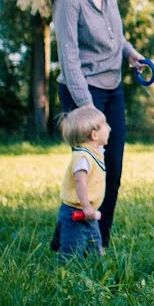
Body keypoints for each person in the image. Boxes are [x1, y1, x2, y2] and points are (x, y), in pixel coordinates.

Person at [8, 0, 145, 249]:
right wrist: (90, 112)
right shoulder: (68, 0)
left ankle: (99, 242)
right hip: (82, 91)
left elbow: (115, 33)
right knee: (87, 170)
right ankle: (67, 243)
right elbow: (69, 60)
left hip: (112, 88)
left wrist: (130, 54)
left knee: (112, 170)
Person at [54, 106, 111, 257]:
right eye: (105, 125)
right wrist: (86, 206)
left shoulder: (93, 152)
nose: (109, 127)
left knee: (94, 246)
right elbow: (81, 182)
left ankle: (96, 263)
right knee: (72, 249)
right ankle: (65, 272)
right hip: (76, 212)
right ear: (94, 135)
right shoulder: (83, 157)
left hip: (88, 211)